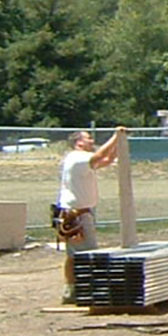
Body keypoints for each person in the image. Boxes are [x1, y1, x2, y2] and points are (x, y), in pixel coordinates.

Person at [56, 126, 124, 304]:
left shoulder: (80, 159)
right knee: (82, 254)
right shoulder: (77, 158)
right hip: (76, 214)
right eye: (88, 139)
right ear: (79, 142)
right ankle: (77, 290)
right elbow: (100, 156)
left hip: (80, 212)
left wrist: (119, 143)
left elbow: (107, 160)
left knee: (75, 254)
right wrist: (115, 137)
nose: (92, 141)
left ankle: (73, 290)